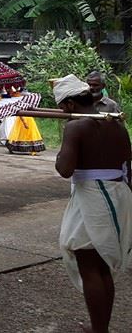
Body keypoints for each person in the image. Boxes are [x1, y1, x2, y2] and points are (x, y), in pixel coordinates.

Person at [52, 74, 132, 333]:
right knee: (100, 265)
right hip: (116, 194)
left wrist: (60, 154)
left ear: (71, 105)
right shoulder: (116, 124)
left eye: (63, 108)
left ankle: (100, 330)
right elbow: (126, 163)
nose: (62, 113)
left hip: (94, 198)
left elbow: (65, 169)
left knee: (89, 265)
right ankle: (101, 327)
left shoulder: (76, 127)